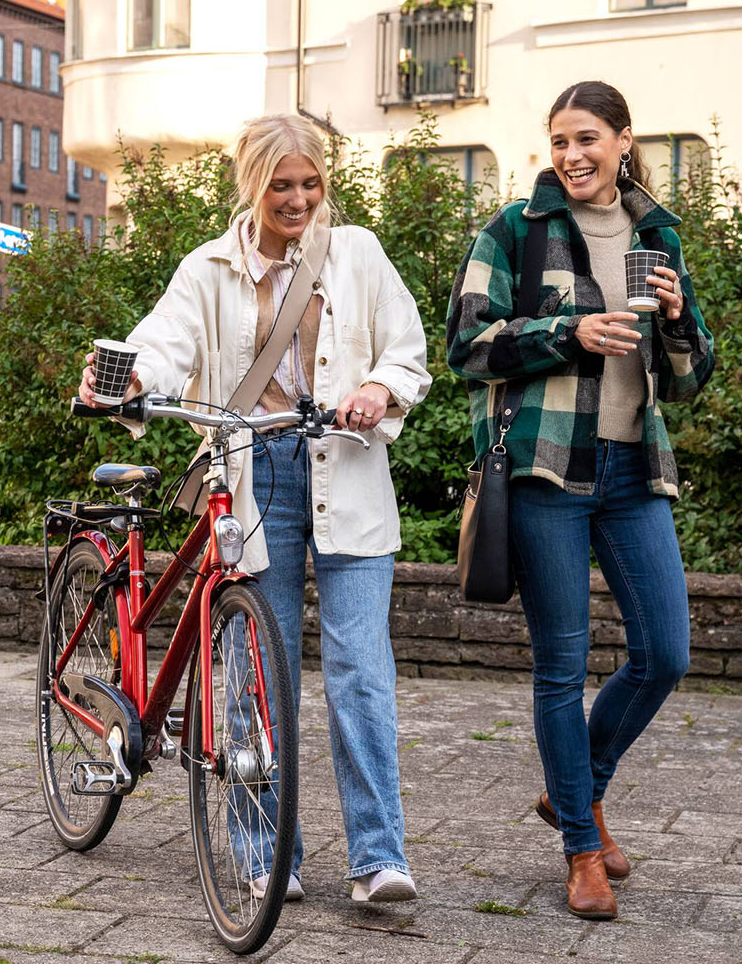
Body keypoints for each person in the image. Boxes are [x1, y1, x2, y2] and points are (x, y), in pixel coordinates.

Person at [78, 113, 431, 903]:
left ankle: (380, 859)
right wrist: (125, 384)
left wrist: (380, 387)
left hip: (348, 467)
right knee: (252, 672)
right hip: (252, 471)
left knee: (361, 672)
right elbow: (163, 345)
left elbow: (406, 348)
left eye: (310, 183)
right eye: (282, 185)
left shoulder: (358, 254)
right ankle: (265, 849)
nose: (298, 199)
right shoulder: (207, 269)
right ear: (252, 184)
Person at [446, 81, 715, 921]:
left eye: (588, 138)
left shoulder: (658, 233)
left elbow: (695, 376)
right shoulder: (514, 231)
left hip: (635, 470)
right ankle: (581, 849)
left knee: (665, 652)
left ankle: (577, 793)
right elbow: (466, 345)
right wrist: (569, 334)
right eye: (559, 139)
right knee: (561, 668)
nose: (572, 156)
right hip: (547, 472)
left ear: (624, 140)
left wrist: (675, 320)